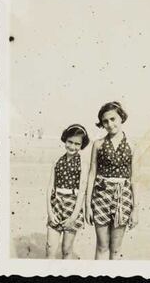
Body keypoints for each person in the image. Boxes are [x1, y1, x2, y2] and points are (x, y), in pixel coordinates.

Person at [85, 101, 138, 260]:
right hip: (100, 197)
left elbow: (134, 178)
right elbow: (92, 174)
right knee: (102, 246)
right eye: (105, 121)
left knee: (115, 249)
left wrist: (135, 209)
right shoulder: (98, 144)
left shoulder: (131, 145)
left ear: (121, 117)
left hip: (123, 198)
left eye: (113, 119)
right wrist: (87, 205)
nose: (109, 124)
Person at [46, 124, 90, 259]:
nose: (72, 146)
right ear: (65, 140)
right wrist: (50, 212)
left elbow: (82, 191)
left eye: (77, 144)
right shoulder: (57, 161)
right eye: (70, 142)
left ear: (82, 145)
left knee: (66, 249)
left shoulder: (83, 163)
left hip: (73, 207)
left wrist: (73, 217)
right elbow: (49, 189)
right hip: (56, 205)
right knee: (50, 247)